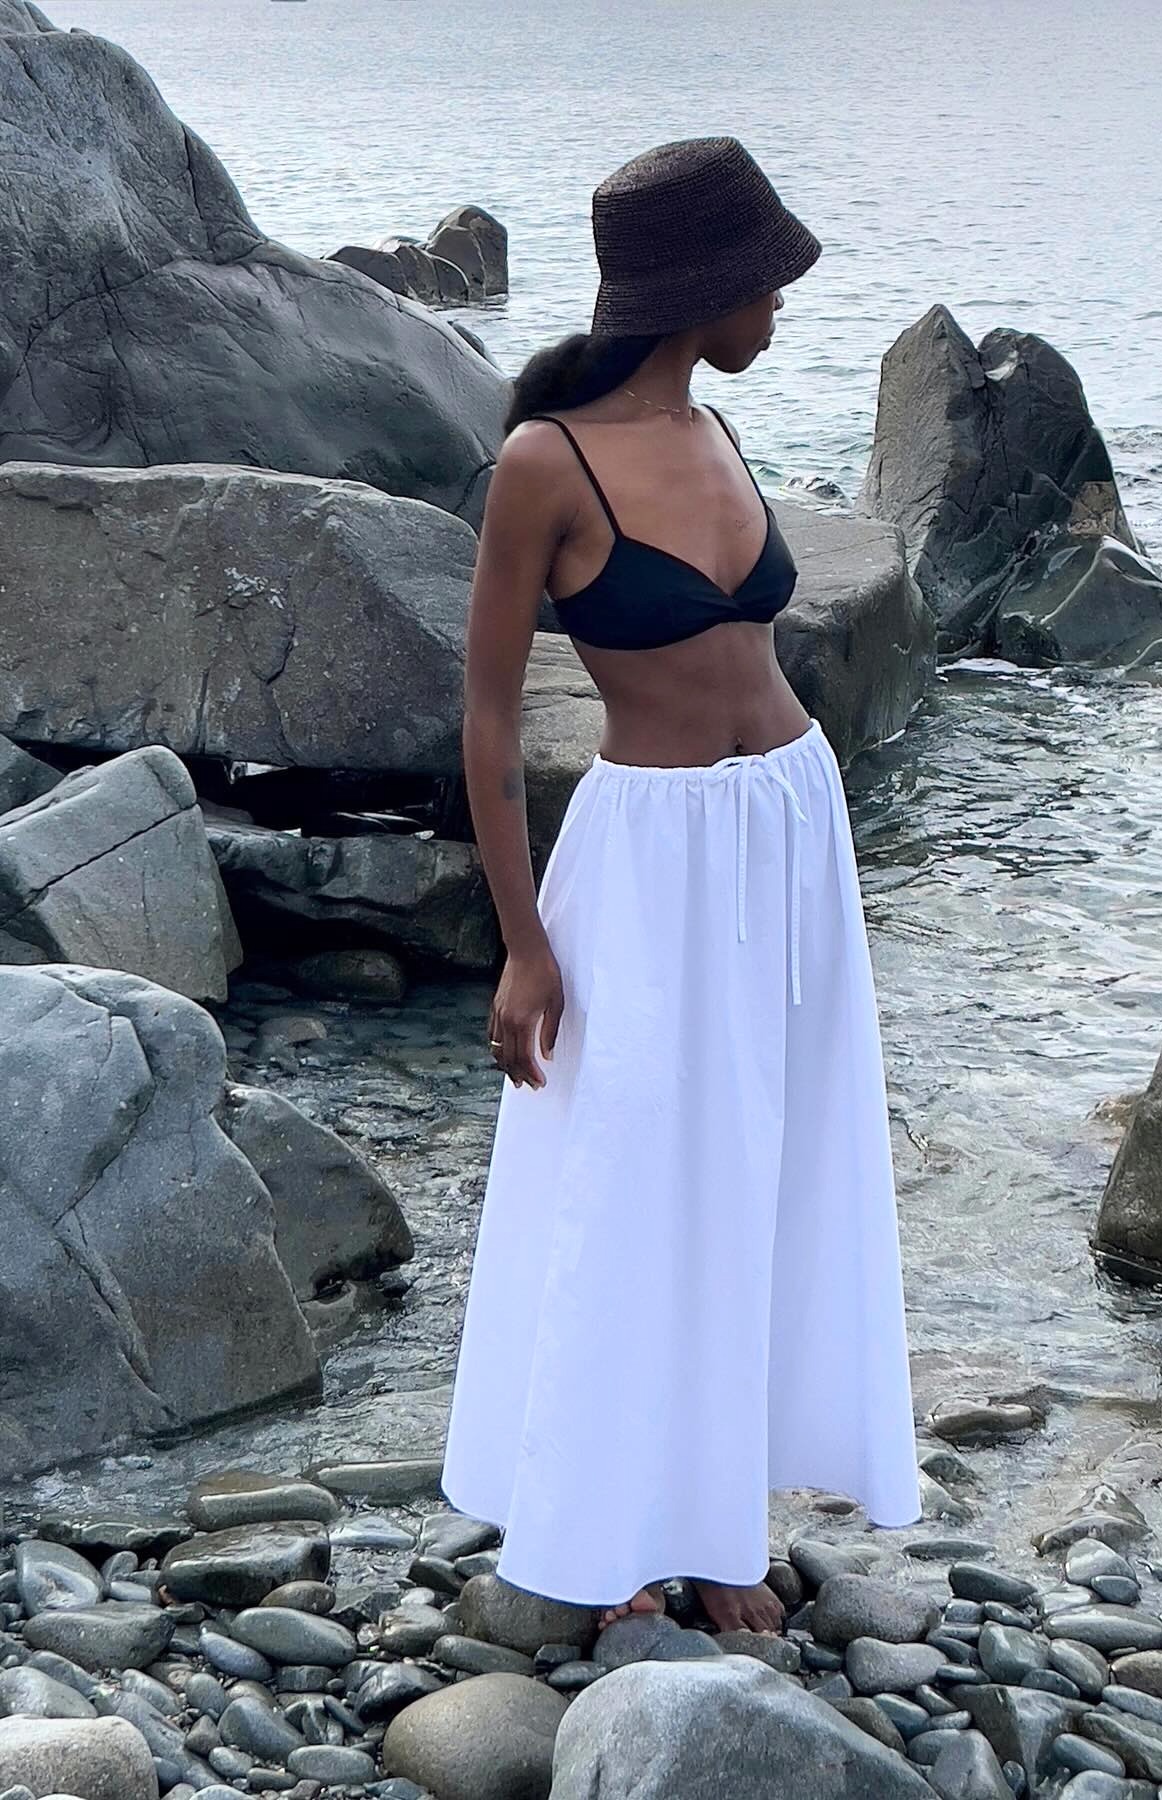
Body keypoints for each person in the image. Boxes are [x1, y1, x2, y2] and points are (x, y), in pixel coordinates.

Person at [440, 135, 920, 1637]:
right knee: (636, 1185)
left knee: (771, 1171)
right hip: (644, 855)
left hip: (789, 825)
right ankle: (614, 1521)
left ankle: (728, 1526)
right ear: (702, 286)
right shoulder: (545, 463)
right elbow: (492, 721)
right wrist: (522, 946)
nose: (779, 313)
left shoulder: (721, 438)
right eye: (766, 285)